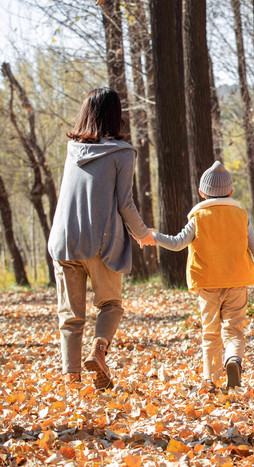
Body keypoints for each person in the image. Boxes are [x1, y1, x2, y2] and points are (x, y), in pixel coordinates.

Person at [48, 88, 156, 389]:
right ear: (115, 115)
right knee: (111, 304)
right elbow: (125, 203)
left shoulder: (72, 150)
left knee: (70, 317)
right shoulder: (122, 153)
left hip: (63, 243)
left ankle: (72, 380)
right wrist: (143, 234)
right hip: (100, 242)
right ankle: (98, 351)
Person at [148, 161, 254, 392]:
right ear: (231, 192)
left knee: (210, 332)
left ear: (201, 192)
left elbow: (177, 243)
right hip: (237, 282)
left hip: (207, 284)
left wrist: (154, 236)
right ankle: (233, 360)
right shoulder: (240, 216)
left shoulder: (198, 218)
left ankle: (211, 380)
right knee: (234, 329)